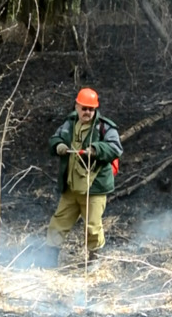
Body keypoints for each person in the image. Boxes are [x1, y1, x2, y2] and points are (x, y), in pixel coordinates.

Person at [41, 87, 122, 268]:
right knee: (58, 223)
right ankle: (49, 261)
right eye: (84, 108)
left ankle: (93, 261)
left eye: (91, 109)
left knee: (93, 227)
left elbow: (116, 148)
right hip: (71, 187)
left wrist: (96, 149)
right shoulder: (69, 123)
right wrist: (59, 145)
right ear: (77, 106)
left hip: (94, 188)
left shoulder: (105, 127)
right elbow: (54, 139)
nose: (87, 112)